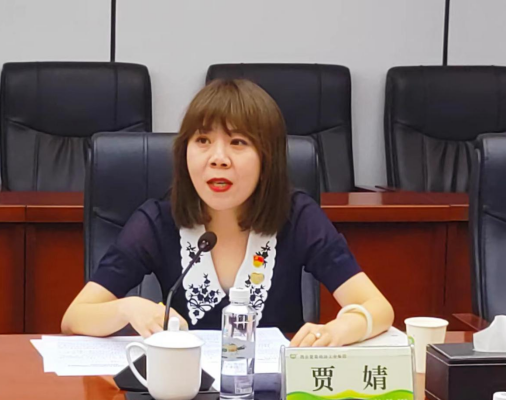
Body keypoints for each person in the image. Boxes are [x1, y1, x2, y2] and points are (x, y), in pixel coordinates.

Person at [61, 79, 394, 347]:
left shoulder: (297, 217)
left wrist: (338, 330)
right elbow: (75, 317)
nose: (218, 158)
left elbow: (379, 308)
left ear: (267, 159)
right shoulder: (157, 221)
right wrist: (127, 307)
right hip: (184, 393)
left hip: (273, 395)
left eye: (238, 142)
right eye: (203, 140)